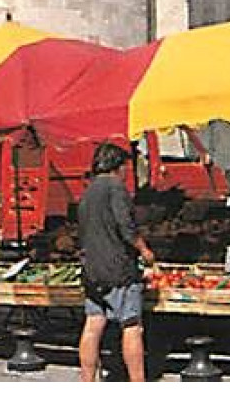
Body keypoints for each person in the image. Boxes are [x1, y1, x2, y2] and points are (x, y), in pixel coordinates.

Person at [76, 142, 155, 382]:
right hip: (117, 268)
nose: (126, 174)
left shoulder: (88, 192)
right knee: (132, 326)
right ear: (117, 167)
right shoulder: (115, 188)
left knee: (93, 324)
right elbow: (126, 227)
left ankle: (88, 382)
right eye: (125, 169)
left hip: (92, 269)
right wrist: (144, 250)